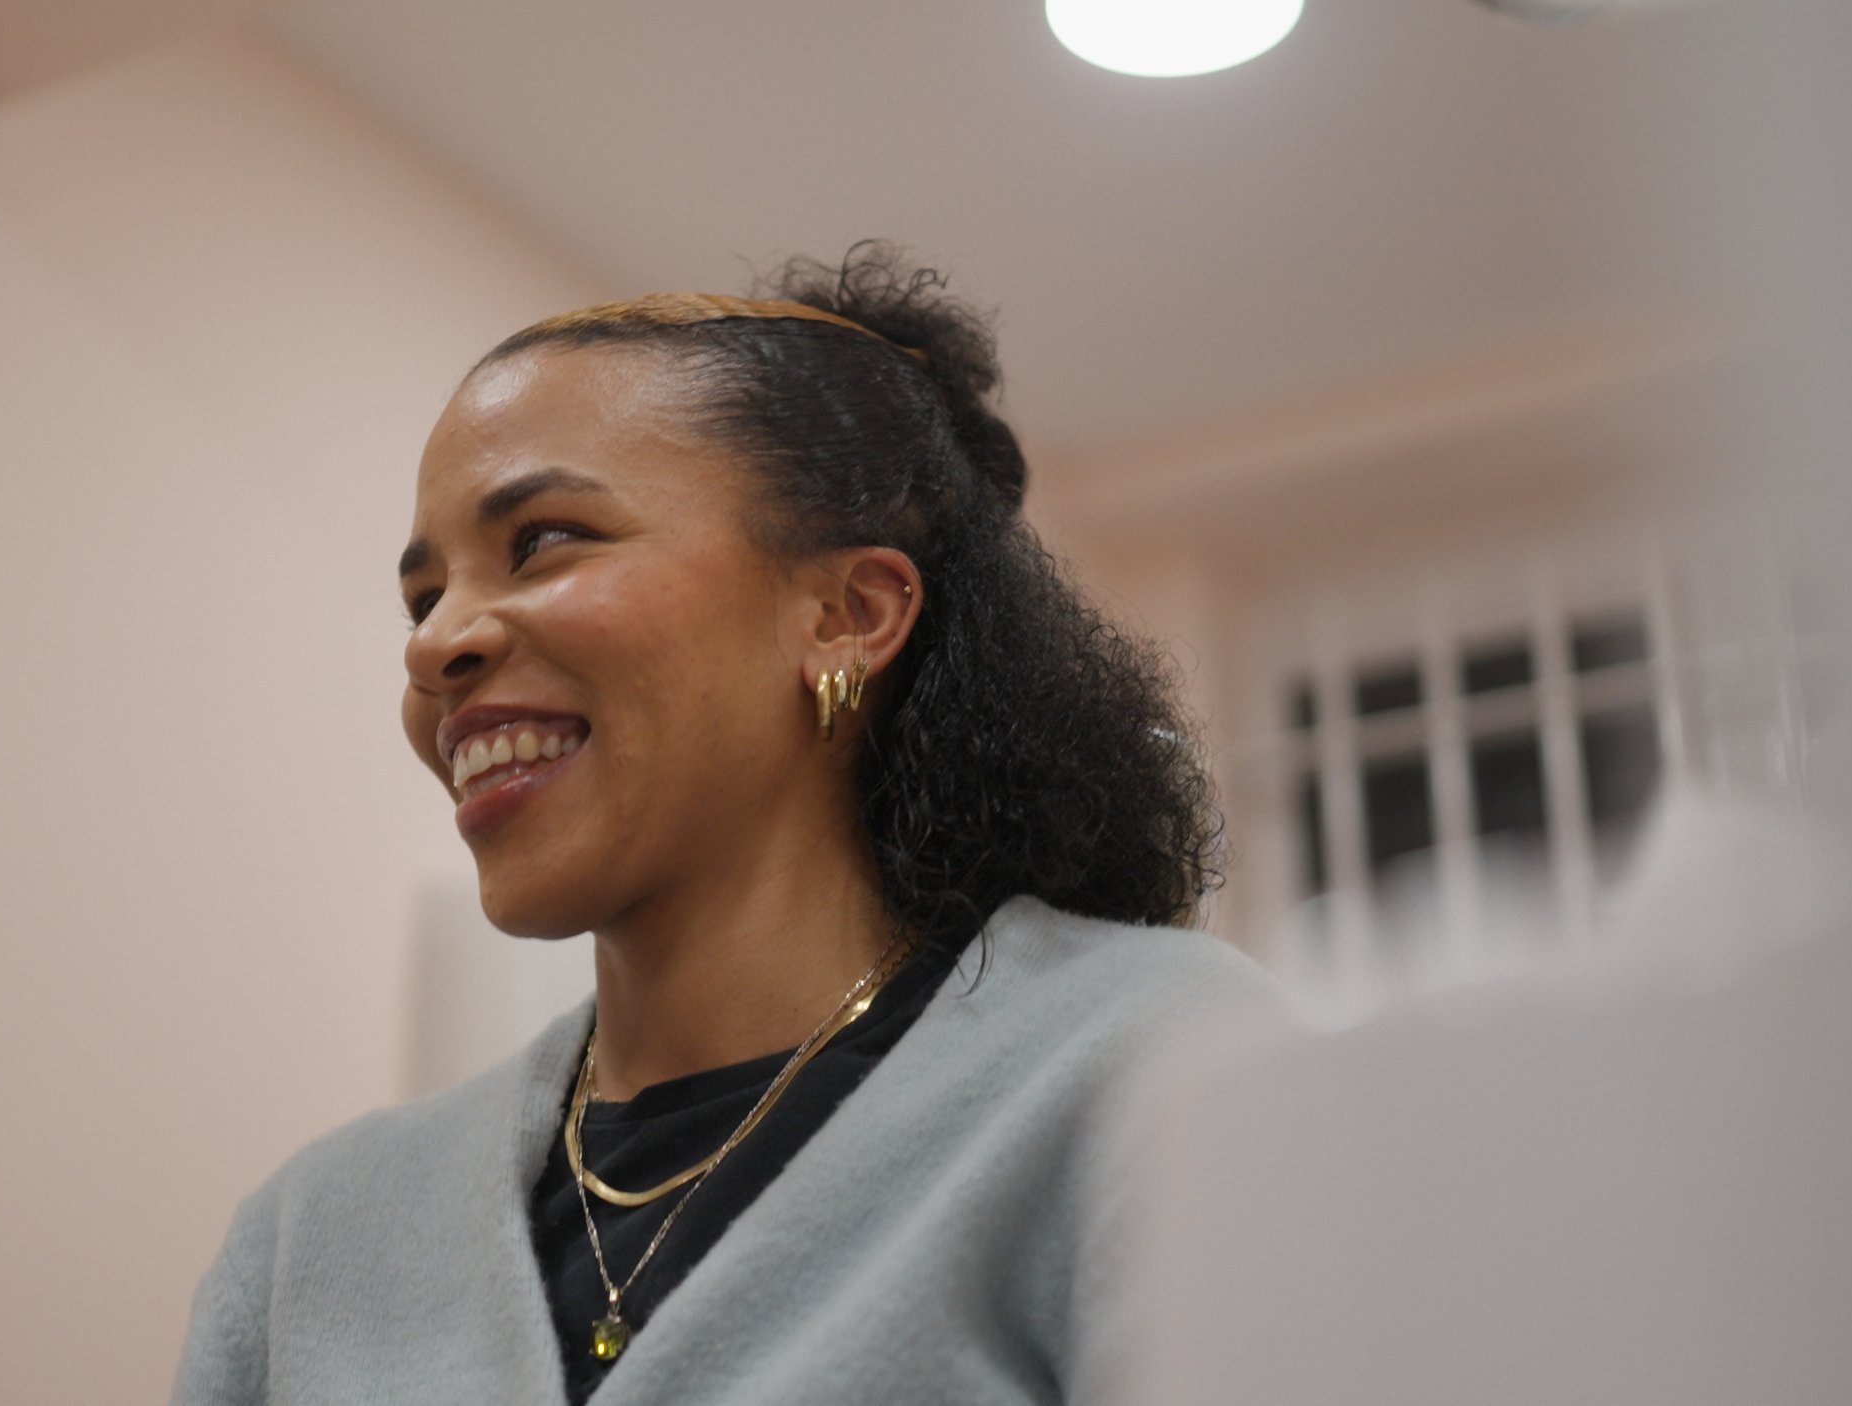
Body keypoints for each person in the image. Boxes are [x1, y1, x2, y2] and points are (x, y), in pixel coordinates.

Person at [169, 245, 1278, 1405]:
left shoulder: (1157, 1068)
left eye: (543, 540)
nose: (433, 641)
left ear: (848, 612)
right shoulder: (309, 1244)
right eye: (422, 593)